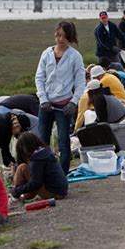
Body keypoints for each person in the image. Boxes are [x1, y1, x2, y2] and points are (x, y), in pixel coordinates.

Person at [35, 21, 85, 174]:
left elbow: (80, 82)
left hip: (64, 106)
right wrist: (43, 99)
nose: (60, 39)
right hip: (46, 105)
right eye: (58, 35)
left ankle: (62, 175)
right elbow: (39, 77)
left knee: (63, 143)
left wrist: (73, 102)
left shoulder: (74, 56)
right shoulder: (46, 54)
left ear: (69, 37)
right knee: (42, 142)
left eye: (63, 36)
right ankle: (44, 173)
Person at [10, 132, 68, 202]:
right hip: (61, 191)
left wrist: (17, 190)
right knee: (26, 168)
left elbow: (35, 183)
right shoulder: (45, 152)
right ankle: (22, 195)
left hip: (53, 193)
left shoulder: (37, 159)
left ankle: (15, 195)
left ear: (24, 149)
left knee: (22, 167)